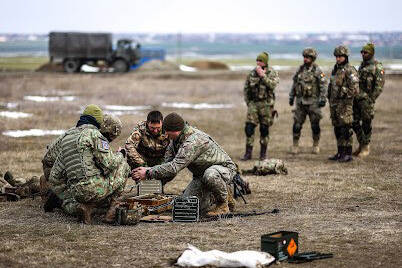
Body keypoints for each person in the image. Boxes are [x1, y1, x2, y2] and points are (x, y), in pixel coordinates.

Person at [132, 112, 237, 216]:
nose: (166, 134)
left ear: (177, 131)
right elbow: (168, 166)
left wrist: (148, 172)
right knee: (187, 207)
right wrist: (153, 184)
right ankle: (219, 195)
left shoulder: (193, 141)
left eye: (168, 131)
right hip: (201, 176)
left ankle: (223, 205)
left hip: (223, 169)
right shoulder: (174, 141)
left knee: (211, 175)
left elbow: (174, 167)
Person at [49, 105, 130, 224]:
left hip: (75, 192)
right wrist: (120, 154)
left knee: (83, 200)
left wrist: (66, 196)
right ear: (98, 121)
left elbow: (54, 176)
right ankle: (112, 212)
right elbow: (110, 163)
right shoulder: (94, 134)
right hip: (93, 188)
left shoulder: (67, 137)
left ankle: (81, 208)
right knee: (124, 165)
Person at [241, 52, 279, 161]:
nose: (258, 63)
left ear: (265, 62)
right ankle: (248, 154)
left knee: (264, 129)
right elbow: (246, 89)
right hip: (253, 104)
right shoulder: (252, 73)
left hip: (266, 105)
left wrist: (263, 76)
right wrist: (249, 102)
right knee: (249, 128)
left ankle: (263, 154)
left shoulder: (272, 72)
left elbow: (273, 85)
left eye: (261, 61)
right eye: (257, 60)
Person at [289, 48, 327, 154]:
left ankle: (316, 145)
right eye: (304, 57)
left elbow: (323, 85)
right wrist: (292, 97)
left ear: (312, 58)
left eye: (308, 57)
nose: (305, 59)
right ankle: (295, 145)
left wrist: (323, 99)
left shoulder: (318, 71)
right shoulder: (300, 70)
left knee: (315, 125)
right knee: (297, 125)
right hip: (300, 102)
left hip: (313, 103)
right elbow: (295, 84)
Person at [352, 42, 385, 157]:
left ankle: (365, 147)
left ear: (371, 53)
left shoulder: (377, 67)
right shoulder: (362, 66)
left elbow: (379, 86)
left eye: (365, 52)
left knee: (366, 123)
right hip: (356, 99)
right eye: (362, 52)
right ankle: (362, 143)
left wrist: (371, 99)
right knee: (353, 122)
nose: (363, 54)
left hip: (367, 101)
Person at [328, 45, 359, 162]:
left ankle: (348, 154)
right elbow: (331, 86)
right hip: (334, 105)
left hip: (345, 105)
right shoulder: (335, 69)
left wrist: (344, 92)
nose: (338, 58)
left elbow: (355, 89)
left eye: (340, 56)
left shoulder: (350, 70)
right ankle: (340, 152)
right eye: (336, 56)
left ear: (345, 57)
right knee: (337, 129)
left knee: (346, 129)